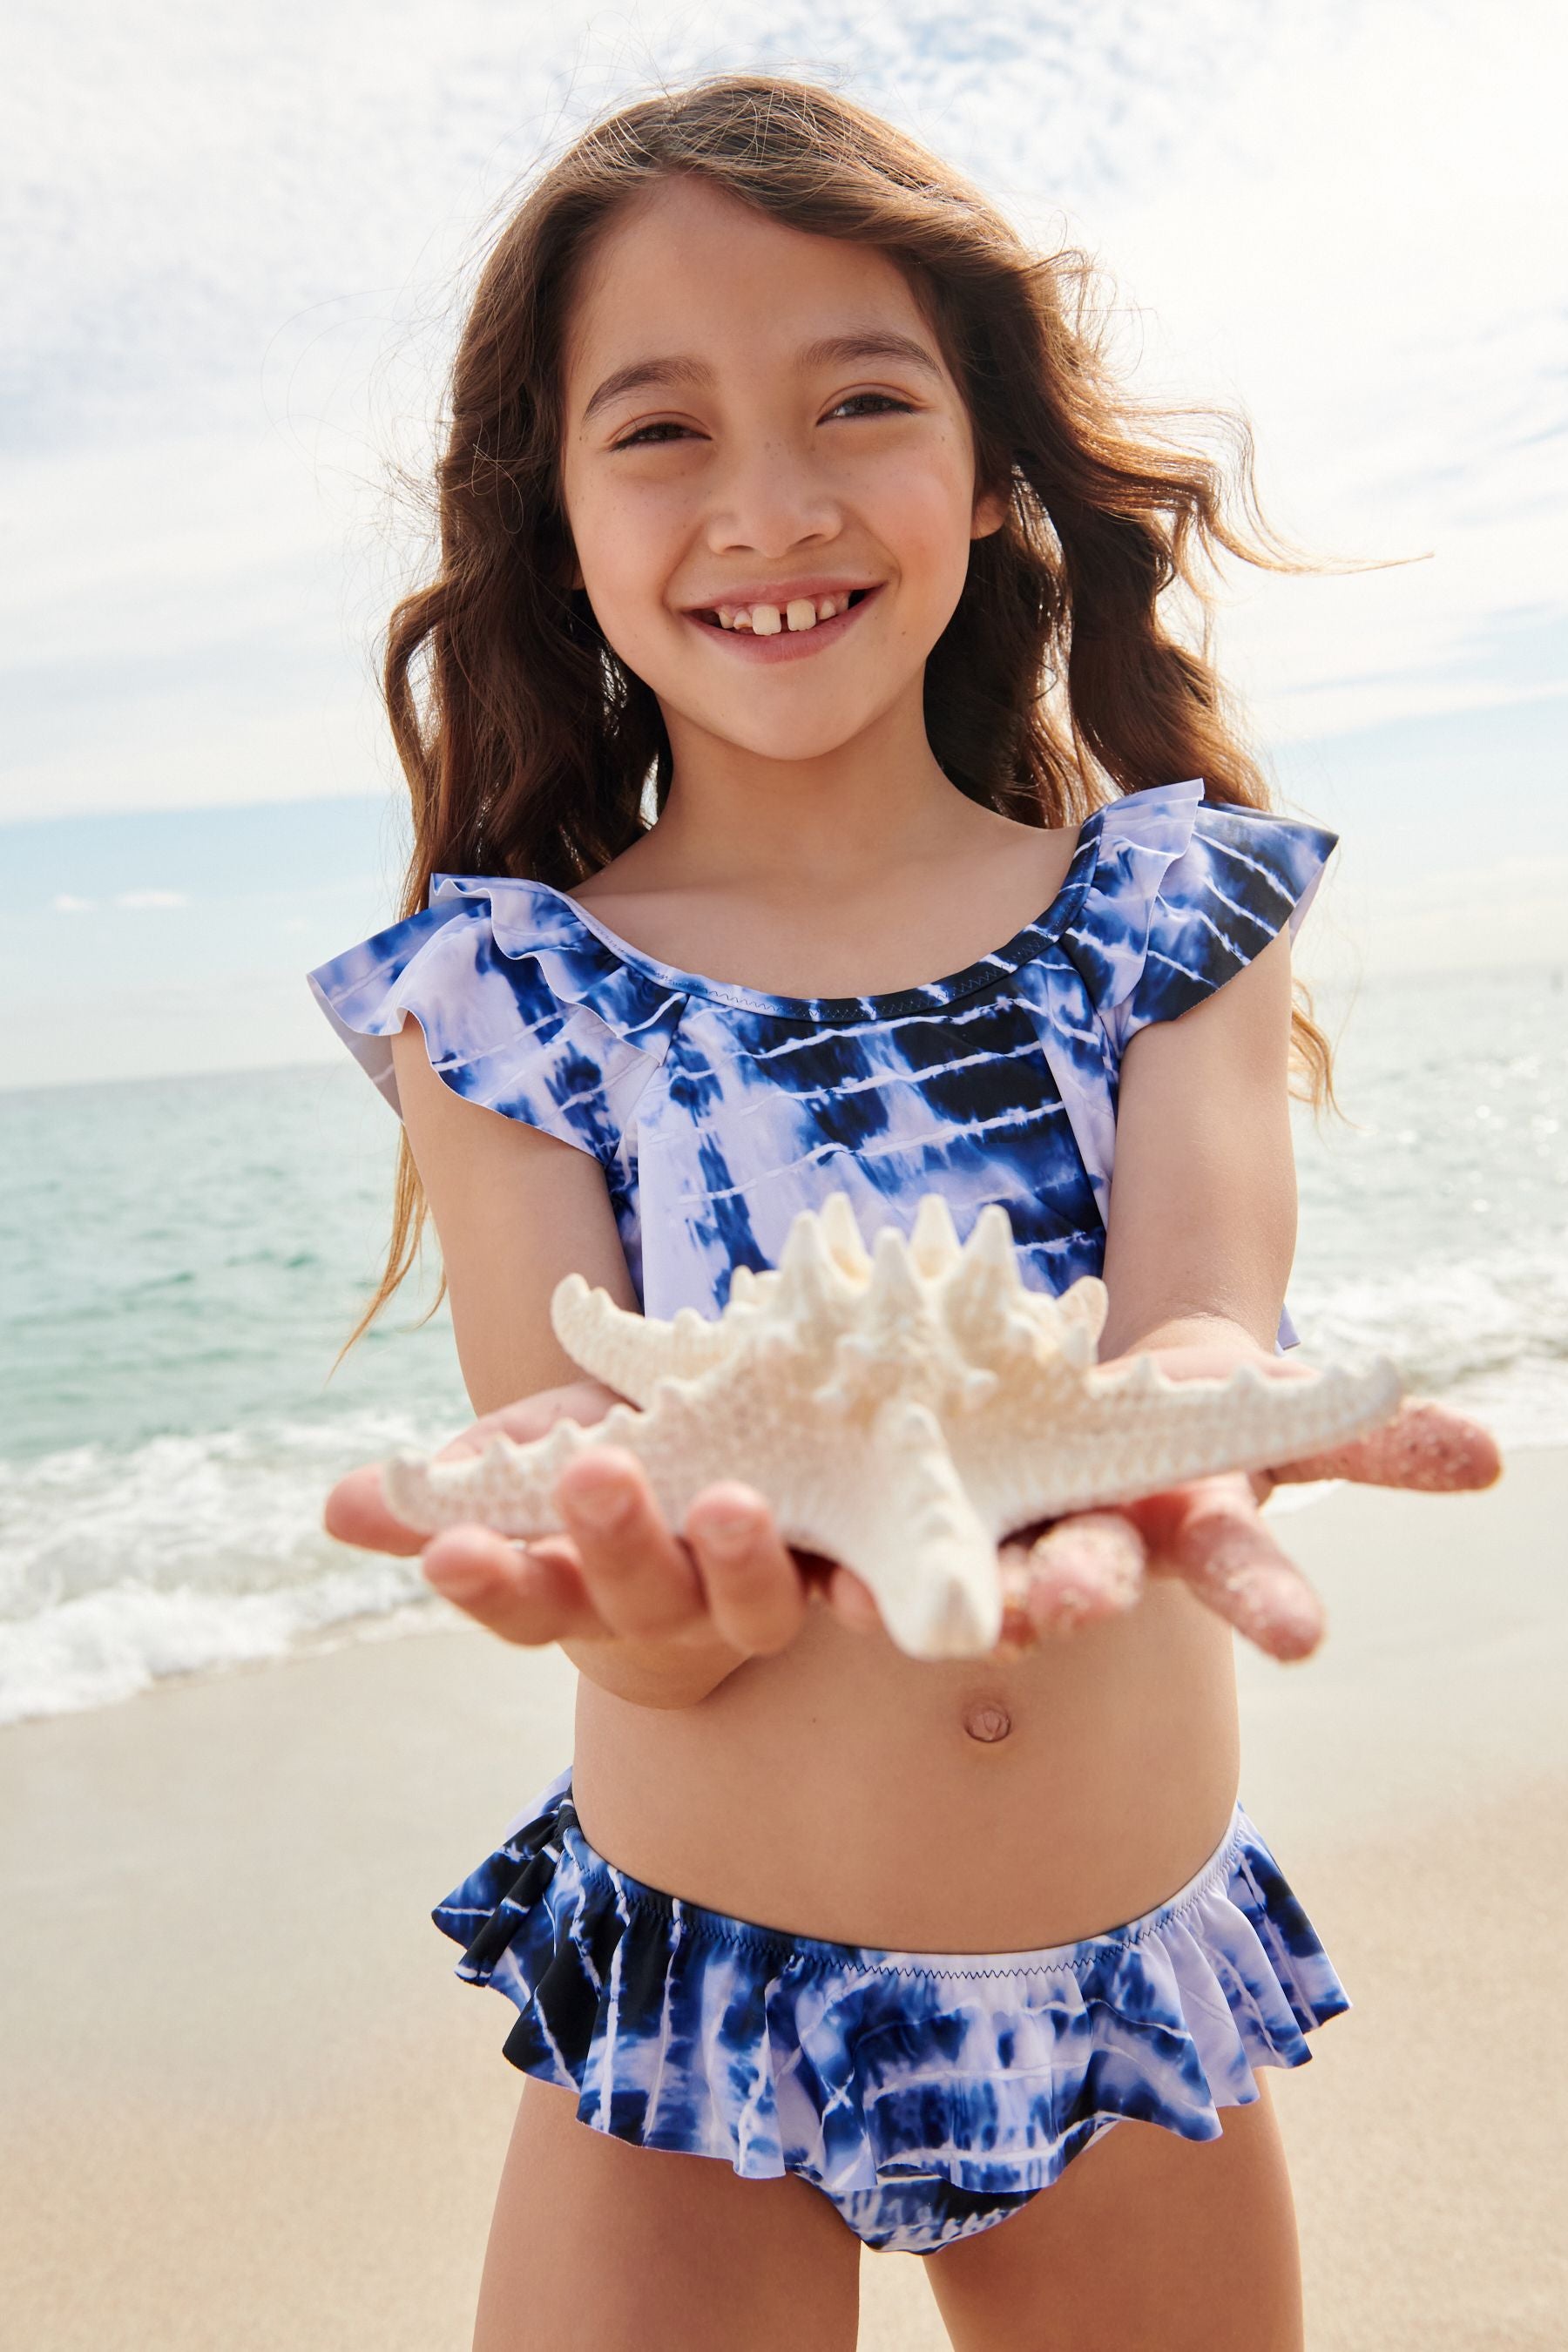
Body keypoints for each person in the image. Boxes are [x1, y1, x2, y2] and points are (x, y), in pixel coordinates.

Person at [308, 77, 1499, 2352]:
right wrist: (648, 1606)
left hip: (1119, 1982)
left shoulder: (1165, 909)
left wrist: (1179, 1442)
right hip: (694, 1997)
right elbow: (585, 1486)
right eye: (659, 429)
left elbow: (1195, 1326)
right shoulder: (510, 992)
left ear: (983, 465)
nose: (771, 502)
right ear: (553, 518)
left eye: (860, 400)